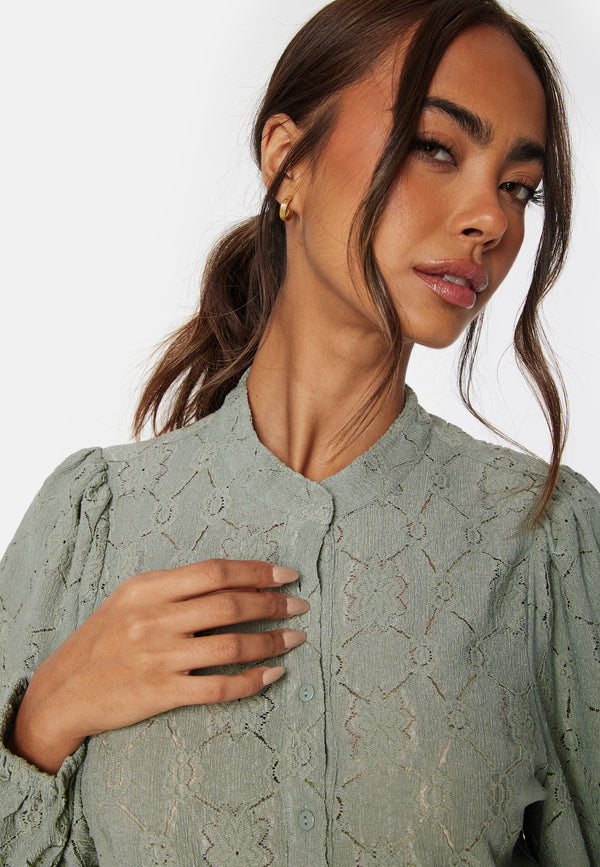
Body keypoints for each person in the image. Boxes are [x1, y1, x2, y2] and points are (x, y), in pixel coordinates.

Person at [1, 0, 598, 864]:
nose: (493, 220)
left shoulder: (544, 541)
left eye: (518, 186)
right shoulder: (92, 518)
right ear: (288, 161)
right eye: (437, 148)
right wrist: (43, 721)